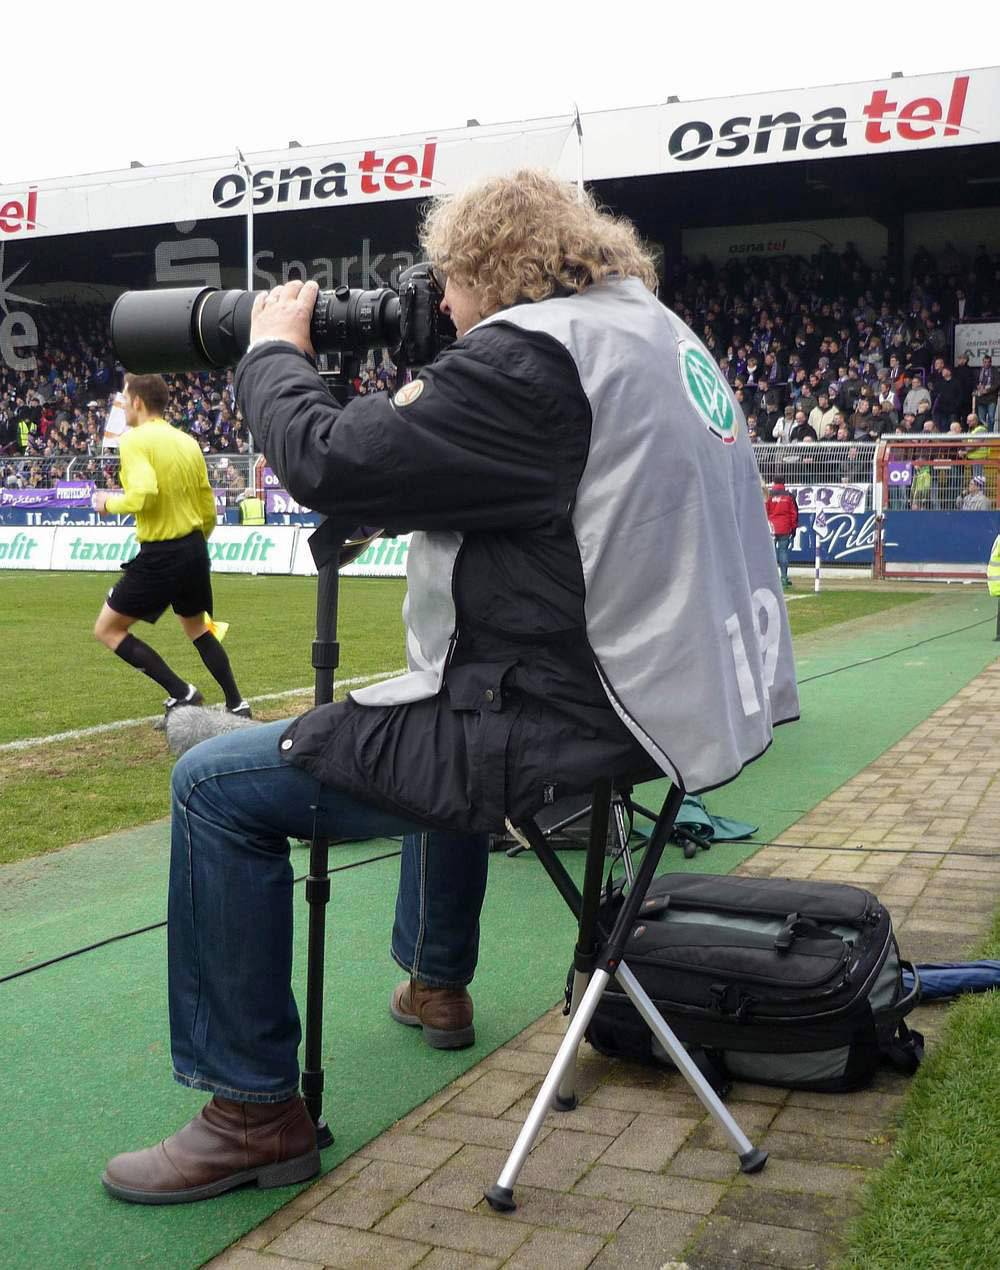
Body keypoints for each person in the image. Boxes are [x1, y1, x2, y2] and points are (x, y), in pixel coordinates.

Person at [101, 169, 798, 1205]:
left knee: (215, 782)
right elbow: (562, 500)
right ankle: (435, 983)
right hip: (674, 699)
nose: (441, 310)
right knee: (428, 703)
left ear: (484, 269)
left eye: (447, 287)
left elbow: (330, 462)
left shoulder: (532, 359)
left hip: (571, 714)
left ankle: (251, 1111)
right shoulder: (647, 332)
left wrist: (274, 354)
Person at [92, 373, 251, 718]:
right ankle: (237, 703)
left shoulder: (134, 441)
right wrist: (195, 543)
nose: (121, 405)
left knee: (107, 628)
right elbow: (208, 506)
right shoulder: (186, 441)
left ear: (136, 401)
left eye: (123, 398)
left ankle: (183, 691)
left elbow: (143, 493)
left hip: (162, 552)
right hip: (194, 547)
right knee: (197, 628)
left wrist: (107, 503)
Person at [765, 480, 799, 588]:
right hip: (784, 527)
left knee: (771, 553)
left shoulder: (768, 496)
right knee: (783, 552)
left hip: (771, 527)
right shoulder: (789, 496)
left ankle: (771, 579)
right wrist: (793, 528)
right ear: (784, 483)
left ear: (774, 483)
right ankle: (783, 578)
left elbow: (764, 511)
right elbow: (794, 513)